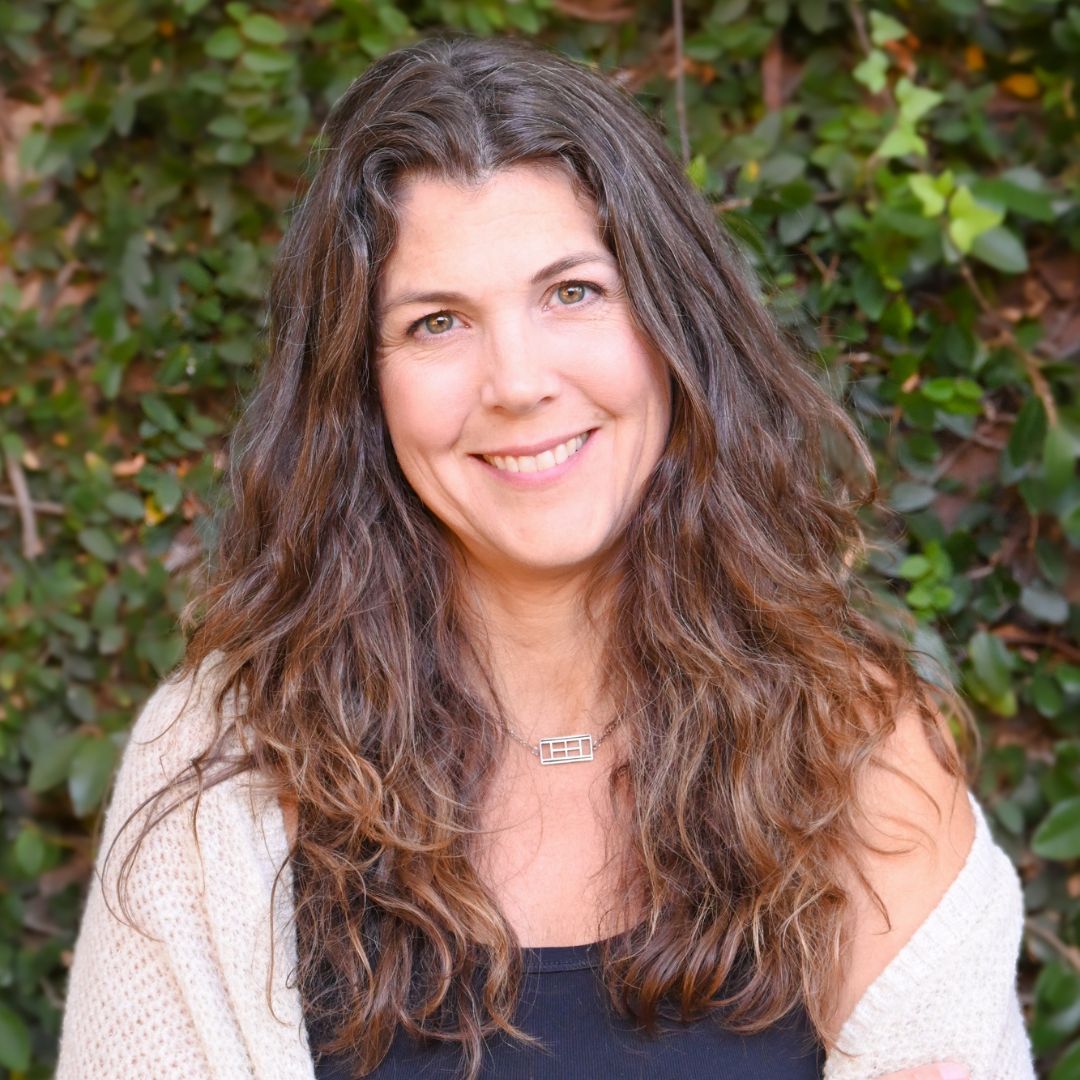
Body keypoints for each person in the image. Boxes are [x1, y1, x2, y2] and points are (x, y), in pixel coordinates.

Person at [56, 31, 1034, 1080]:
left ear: (672, 329)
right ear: (360, 391)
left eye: (572, 291)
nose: (517, 381)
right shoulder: (221, 768)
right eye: (438, 322)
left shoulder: (859, 753)